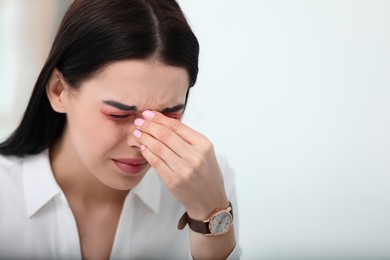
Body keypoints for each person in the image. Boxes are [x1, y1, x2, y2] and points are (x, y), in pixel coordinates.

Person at [0, 0, 240, 259]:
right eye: (119, 114)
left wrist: (211, 217)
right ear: (59, 91)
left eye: (170, 114)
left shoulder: (206, 184)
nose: (141, 140)